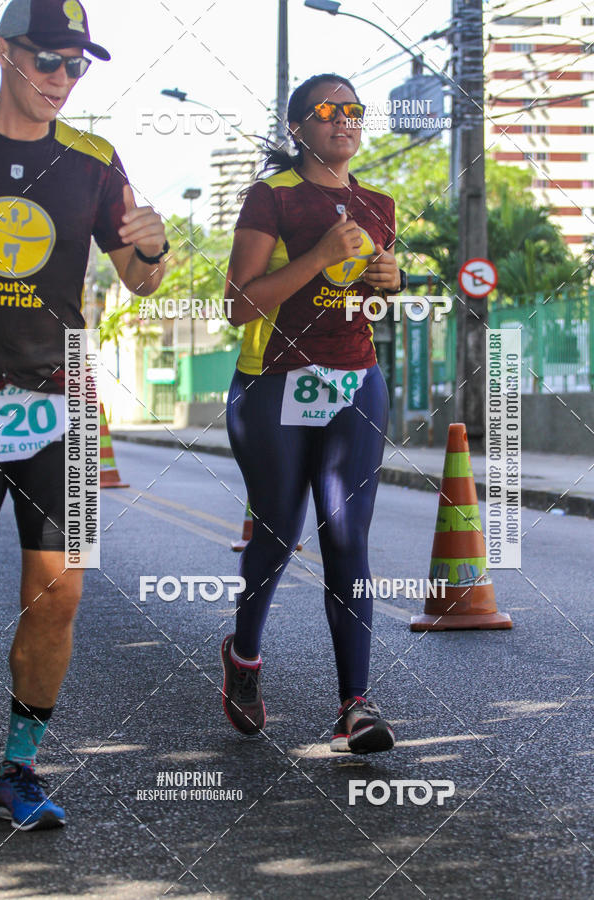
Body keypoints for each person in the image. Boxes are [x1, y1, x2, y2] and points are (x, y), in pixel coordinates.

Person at [0, 0, 169, 830]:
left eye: (77, 65)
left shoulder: (96, 161)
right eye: (48, 60)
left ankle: (18, 768)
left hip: (60, 397)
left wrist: (154, 244)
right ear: (4, 53)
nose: (62, 79)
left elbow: (141, 280)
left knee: (58, 591)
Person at [222, 73, 401, 754]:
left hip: (356, 381)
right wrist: (321, 256)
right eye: (329, 111)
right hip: (273, 382)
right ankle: (243, 657)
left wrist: (390, 281)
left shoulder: (377, 203)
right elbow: (241, 301)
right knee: (278, 532)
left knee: (348, 535)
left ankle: (355, 704)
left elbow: (366, 300)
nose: (346, 120)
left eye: (355, 110)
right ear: (298, 127)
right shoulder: (271, 198)